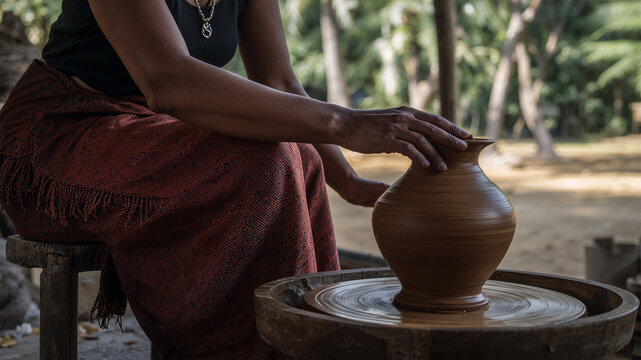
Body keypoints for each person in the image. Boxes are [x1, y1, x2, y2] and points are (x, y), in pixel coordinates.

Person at [0, 0, 470, 358]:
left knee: (297, 157)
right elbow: (168, 81)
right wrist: (347, 123)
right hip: (59, 134)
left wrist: (341, 176)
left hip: (151, 131)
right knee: (261, 167)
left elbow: (279, 81)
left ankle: (308, 341)